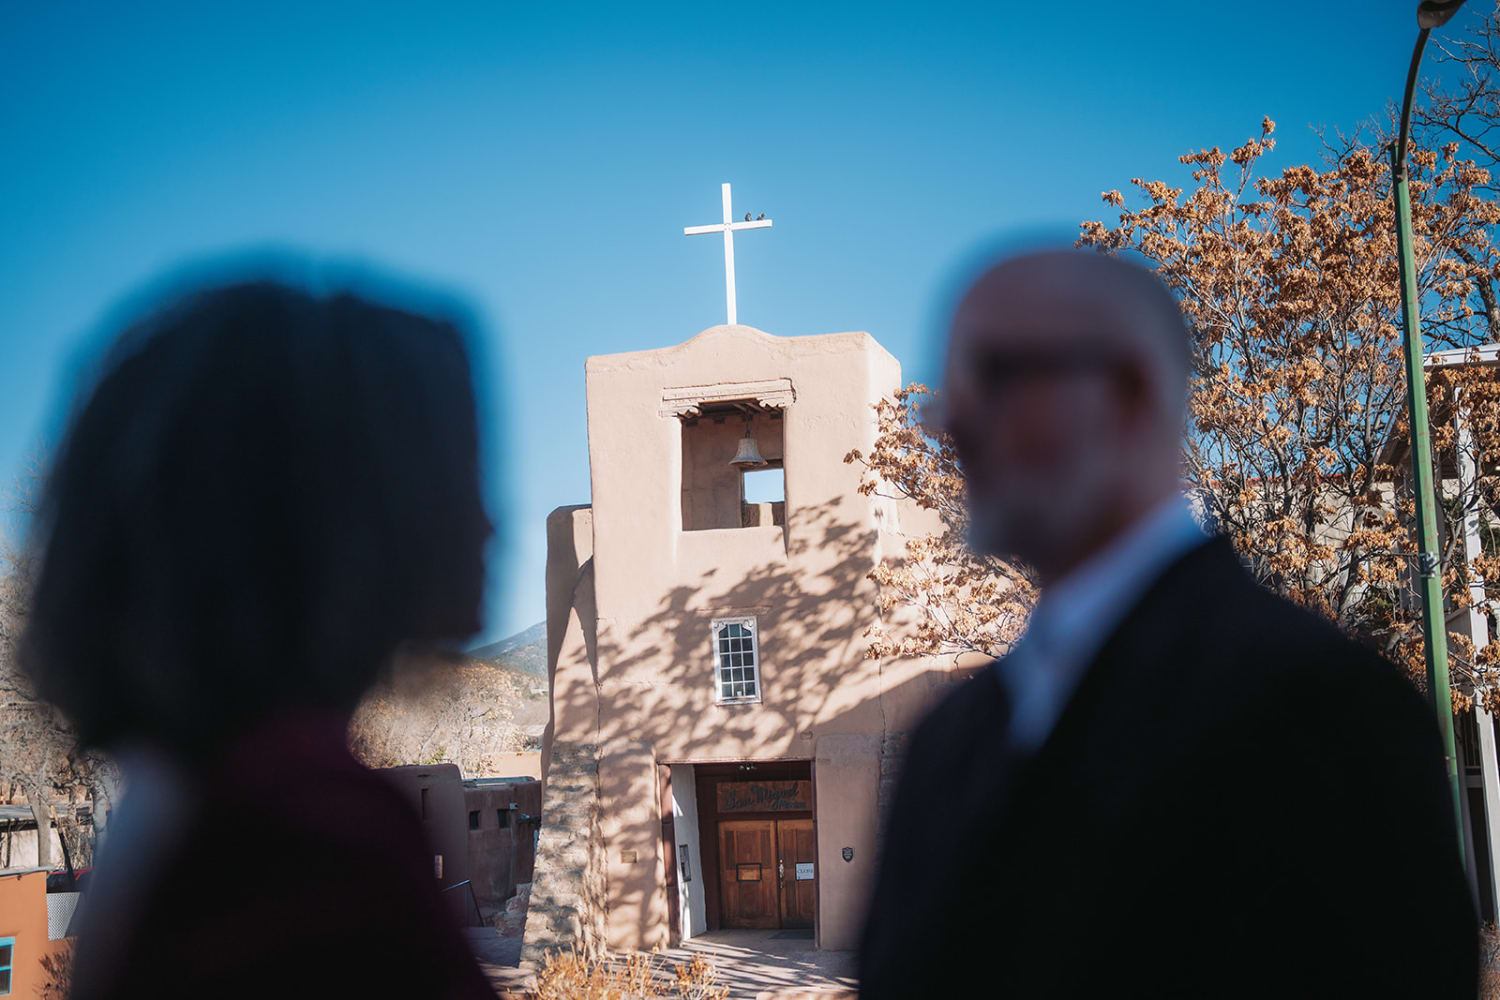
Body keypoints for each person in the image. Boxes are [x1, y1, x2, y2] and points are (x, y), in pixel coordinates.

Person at [856, 249, 1477, 997]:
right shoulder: (948, 737)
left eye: (993, 372)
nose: (946, 423)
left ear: (1132, 390)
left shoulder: (1327, 711)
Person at [21, 277, 497, 999]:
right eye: (453, 477)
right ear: (340, 516)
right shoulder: (309, 842)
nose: (490, 524)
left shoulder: (192, 794)